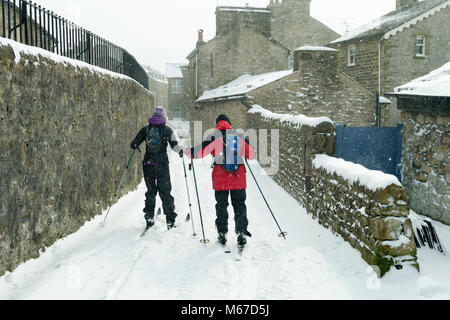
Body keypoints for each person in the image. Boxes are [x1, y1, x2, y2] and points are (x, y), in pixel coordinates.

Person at [187, 114, 256, 247]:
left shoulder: (214, 136)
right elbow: (251, 154)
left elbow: (200, 152)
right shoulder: (239, 136)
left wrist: (189, 152)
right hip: (238, 177)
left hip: (220, 179)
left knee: (221, 206)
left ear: (217, 124)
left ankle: (222, 233)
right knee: (239, 205)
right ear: (229, 123)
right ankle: (241, 232)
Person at [131, 106, 183, 230]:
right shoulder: (167, 130)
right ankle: (170, 220)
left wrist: (135, 145)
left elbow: (134, 143)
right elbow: (175, 146)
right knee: (165, 193)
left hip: (148, 165)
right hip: (162, 166)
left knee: (151, 192)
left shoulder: (146, 129)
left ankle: (149, 217)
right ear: (163, 117)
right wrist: (180, 151)